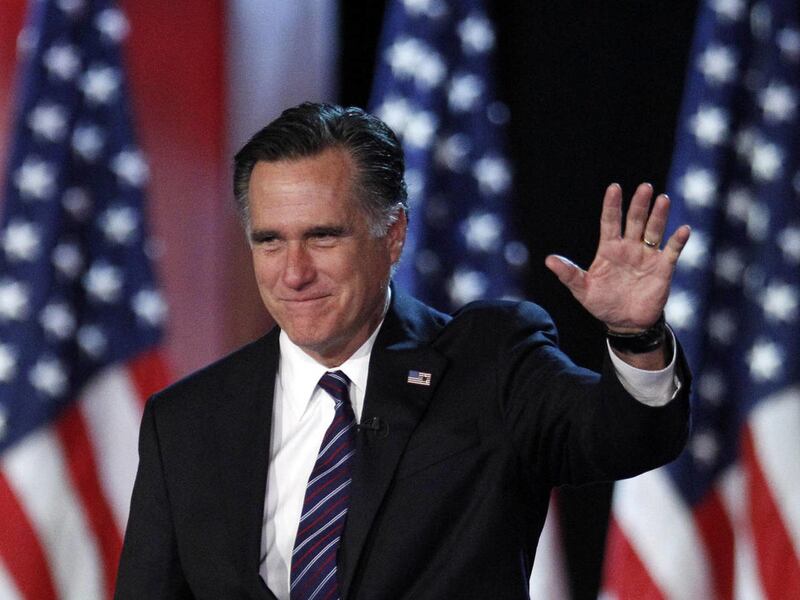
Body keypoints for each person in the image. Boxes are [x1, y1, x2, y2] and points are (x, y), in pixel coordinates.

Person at [115, 102, 692, 600]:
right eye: (270, 241)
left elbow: (624, 437)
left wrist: (635, 336)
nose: (293, 273)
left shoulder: (489, 362)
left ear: (392, 235)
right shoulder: (187, 420)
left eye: (323, 236)